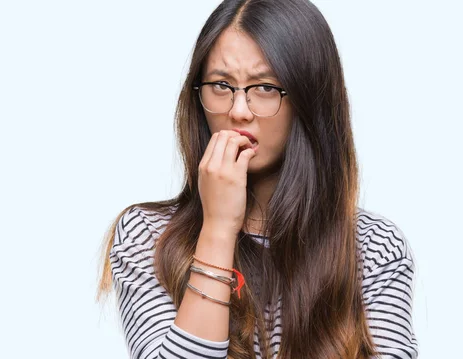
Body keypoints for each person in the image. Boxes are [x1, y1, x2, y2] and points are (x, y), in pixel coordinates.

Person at [96, 0, 418, 358]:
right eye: (220, 85)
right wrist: (218, 230)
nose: (237, 111)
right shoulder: (148, 236)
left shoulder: (373, 248)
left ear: (309, 100)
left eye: (264, 87)